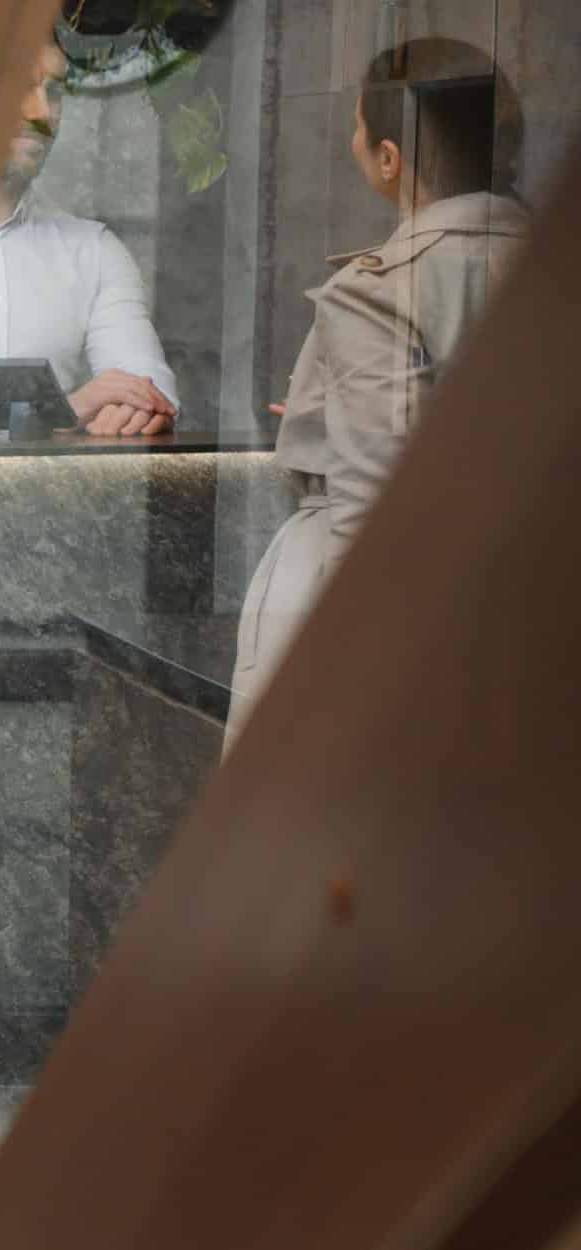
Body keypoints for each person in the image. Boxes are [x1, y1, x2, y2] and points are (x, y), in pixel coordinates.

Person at [226, 38, 526, 747]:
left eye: (359, 133)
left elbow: (374, 517)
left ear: (388, 159)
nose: (354, 146)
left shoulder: (380, 291)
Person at [0, 38, 180, 437]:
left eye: (53, 92)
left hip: (60, 498)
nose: (41, 113)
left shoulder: (93, 251)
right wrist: (67, 410)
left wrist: (140, 410)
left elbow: (149, 393)